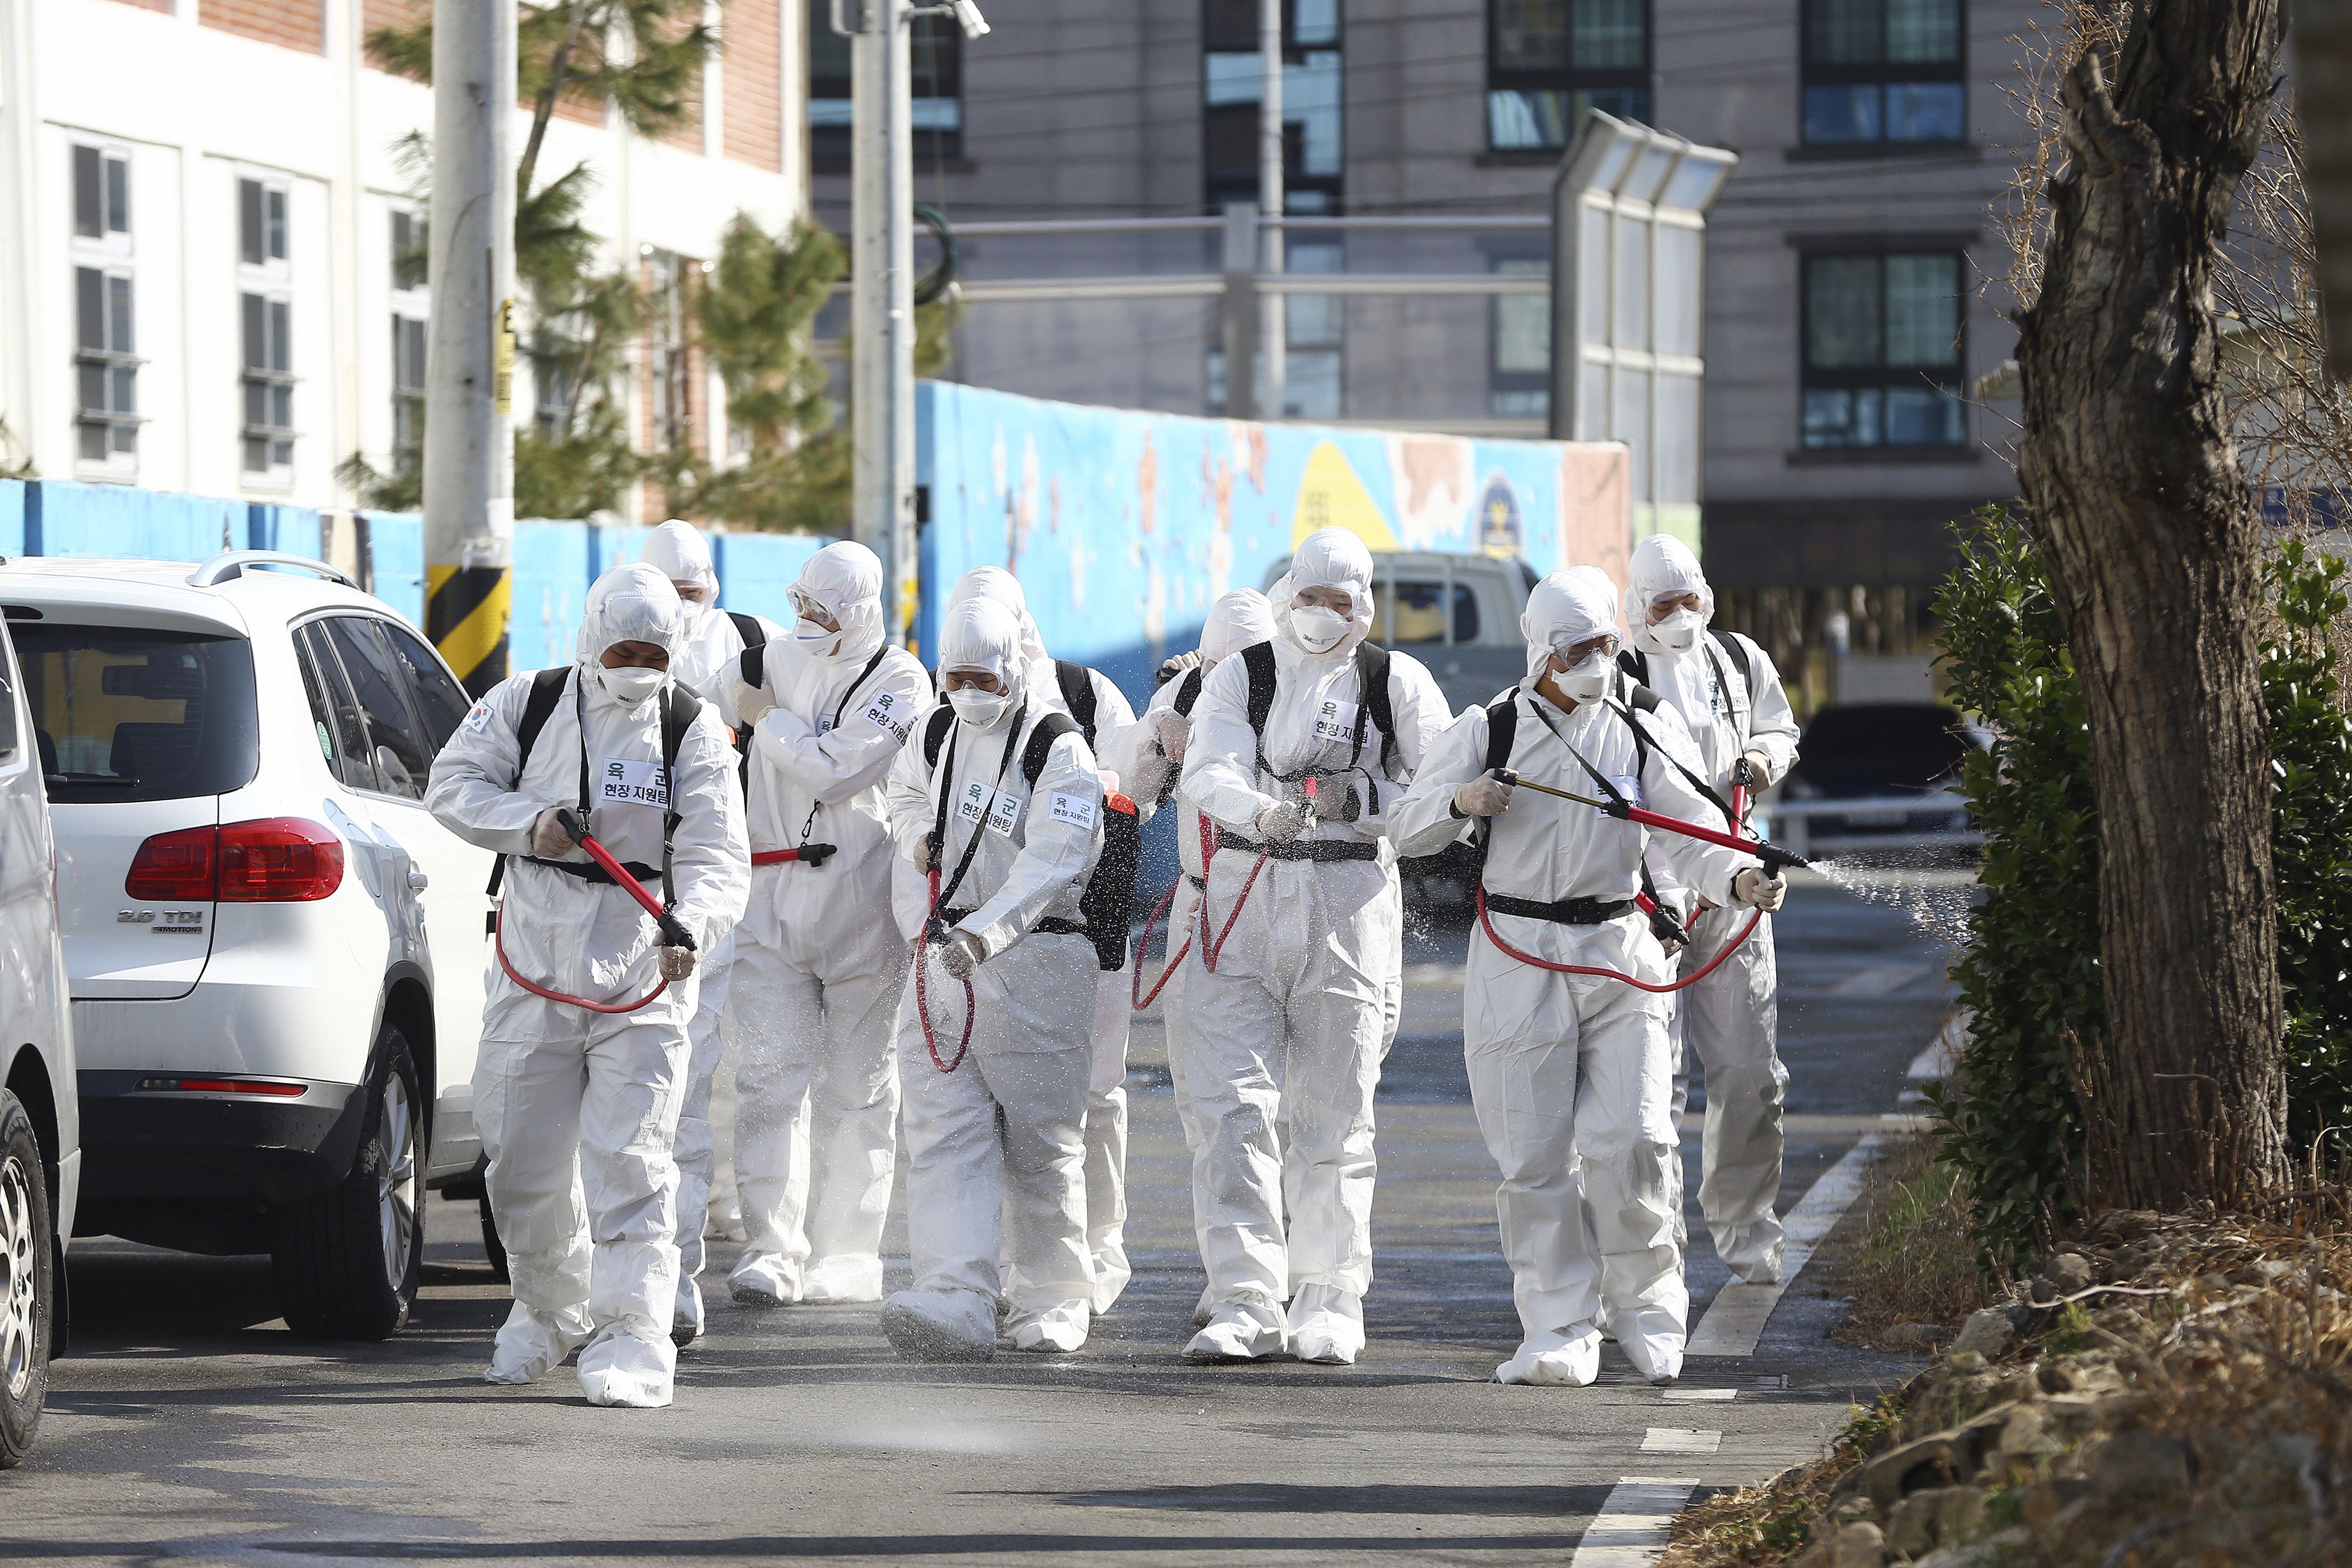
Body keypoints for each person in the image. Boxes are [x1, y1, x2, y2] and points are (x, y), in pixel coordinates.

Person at [1389, 567, 1784, 1388]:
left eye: (1605, 642)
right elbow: (1408, 827)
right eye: (1578, 649)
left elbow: (1689, 822)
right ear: (1541, 651)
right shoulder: (1486, 729)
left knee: (1634, 1139)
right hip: (1518, 952)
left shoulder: (1641, 718)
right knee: (1534, 1156)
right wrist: (1463, 800)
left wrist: (1738, 876)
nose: (1597, 661)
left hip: (1619, 947)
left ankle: (1647, 1309)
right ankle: (1560, 1322)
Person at [426, 563, 750, 1408]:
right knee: (521, 1161)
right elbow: (450, 786)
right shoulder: (524, 702)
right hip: (533, 965)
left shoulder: (694, 729)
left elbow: (720, 856)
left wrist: (694, 927)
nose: (637, 662)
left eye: (653, 650)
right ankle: (546, 1307)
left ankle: (633, 1332)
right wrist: (528, 826)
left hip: (645, 970)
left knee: (634, 1161)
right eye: (623, 647)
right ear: (591, 638)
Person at [1175, 528, 1450, 1366]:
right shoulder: (1241, 673)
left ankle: (1330, 1294)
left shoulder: (1396, 680)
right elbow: (1204, 768)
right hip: (1245, 895)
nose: (1323, 614)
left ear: (1364, 603)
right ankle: (1245, 1297)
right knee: (1231, 1111)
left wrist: (1357, 796)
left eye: (1341, 600)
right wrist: (1259, 812)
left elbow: (1437, 791)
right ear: (1288, 593)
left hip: (1348, 900)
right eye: (1310, 596)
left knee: (1333, 1117)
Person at [878, 596, 1107, 1360]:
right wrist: (917, 840)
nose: (971, 691)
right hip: (946, 959)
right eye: (957, 676)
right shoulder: (936, 728)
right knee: (944, 1129)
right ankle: (956, 1290)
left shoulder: (1060, 750)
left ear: (1014, 668)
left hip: (1037, 961)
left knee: (1041, 1140)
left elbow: (1056, 858)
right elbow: (903, 793)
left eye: (985, 677)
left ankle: (1052, 1294)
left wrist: (987, 933)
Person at [724, 542, 929, 1310]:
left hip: (859, 902)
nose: (808, 619)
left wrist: (768, 722)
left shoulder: (899, 679)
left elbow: (839, 769)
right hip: (767, 894)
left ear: (860, 608)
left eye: (824, 608)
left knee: (859, 1087)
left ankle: (847, 1252)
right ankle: (772, 1247)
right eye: (801, 601)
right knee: (768, 1081)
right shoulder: (768, 657)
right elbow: (702, 719)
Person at [945, 567, 1144, 1316]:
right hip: (979, 940)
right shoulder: (950, 718)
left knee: (1088, 1098)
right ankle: (1004, 1263)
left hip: (1078, 925)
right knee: (990, 1105)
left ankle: (1097, 1249)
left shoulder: (1087, 697)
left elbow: (1130, 798)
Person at [1614, 535, 1802, 1287]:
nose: (1679, 616)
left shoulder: (1738, 658)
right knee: (1650, 1092)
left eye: (1690, 600)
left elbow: (1780, 728)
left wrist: (1762, 759)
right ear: (1636, 610)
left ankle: (1748, 1234)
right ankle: (1654, 1253)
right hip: (1648, 898)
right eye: (1663, 605)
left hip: (1738, 888)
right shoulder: (1617, 675)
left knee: (1750, 1074)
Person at [1112, 588, 1277, 1328]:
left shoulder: (1291, 694)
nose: (1225, 677)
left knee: (1293, 1099)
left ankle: (1289, 1263)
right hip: (1202, 897)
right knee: (1207, 1097)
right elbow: (1135, 795)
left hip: (1281, 894)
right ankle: (1235, 1270)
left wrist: (1200, 746)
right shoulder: (1184, 691)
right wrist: (1160, 737)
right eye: (1216, 665)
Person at [637, 520, 782, 1346]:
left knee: (688, 1089)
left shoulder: (751, 652)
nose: (685, 612)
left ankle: (675, 1274)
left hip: (708, 901)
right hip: (608, 909)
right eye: (671, 595)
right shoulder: (586, 681)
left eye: (696, 594)